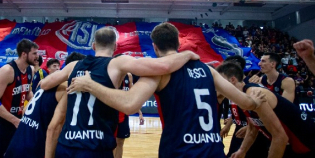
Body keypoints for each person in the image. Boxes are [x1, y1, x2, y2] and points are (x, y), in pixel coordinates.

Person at [66, 23, 265, 158]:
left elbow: (128, 104)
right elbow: (248, 103)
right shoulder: (209, 71)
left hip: (179, 150)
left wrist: (91, 85)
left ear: (154, 46)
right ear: (178, 44)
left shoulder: (158, 73)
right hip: (212, 150)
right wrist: (256, 94)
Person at [40, 26, 201, 157]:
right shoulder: (117, 63)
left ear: (93, 46)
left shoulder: (73, 65)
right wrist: (186, 54)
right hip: (95, 147)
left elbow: (44, 84)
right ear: (115, 46)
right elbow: (163, 66)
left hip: (66, 145)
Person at [217, 62, 315, 158]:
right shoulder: (244, 97)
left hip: (305, 142)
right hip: (292, 143)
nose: (218, 86)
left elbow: (280, 137)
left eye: (220, 82)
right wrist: (242, 150)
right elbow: (253, 128)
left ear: (232, 80)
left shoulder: (254, 93)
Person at [4, 52, 86, 158]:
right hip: (34, 148)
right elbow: (54, 128)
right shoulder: (68, 88)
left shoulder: (44, 82)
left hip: (17, 141)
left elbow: (25, 110)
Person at [221, 55, 270, 158]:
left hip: (254, 131)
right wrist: (228, 126)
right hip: (239, 129)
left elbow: (267, 114)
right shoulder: (231, 86)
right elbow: (234, 108)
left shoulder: (250, 86)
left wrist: (251, 126)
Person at [0, 39, 38, 158]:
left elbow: (27, 92)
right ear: (24, 54)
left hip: (19, 120)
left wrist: (34, 99)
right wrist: (14, 120)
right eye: (34, 53)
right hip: (4, 121)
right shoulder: (7, 70)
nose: (37, 56)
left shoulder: (30, 70)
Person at [114, 73, 144, 158]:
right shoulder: (112, 73)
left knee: (120, 142)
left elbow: (132, 97)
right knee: (111, 143)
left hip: (124, 115)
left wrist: (140, 113)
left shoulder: (129, 76)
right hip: (112, 114)